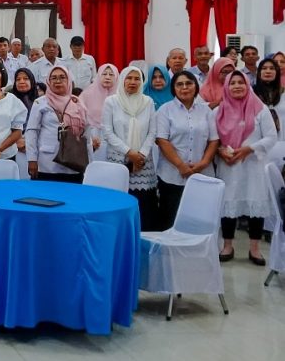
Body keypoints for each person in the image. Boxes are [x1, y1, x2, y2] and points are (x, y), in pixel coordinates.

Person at [214, 70, 274, 264]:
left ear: (248, 85)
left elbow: (271, 137)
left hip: (253, 165)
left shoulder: (260, 109)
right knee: (228, 205)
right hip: (229, 165)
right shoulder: (219, 110)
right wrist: (220, 151)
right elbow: (212, 139)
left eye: (241, 82)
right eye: (233, 83)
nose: (237, 86)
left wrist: (249, 149)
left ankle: (254, 249)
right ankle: (228, 245)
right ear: (226, 87)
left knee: (255, 204)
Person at [155, 70, 218, 230]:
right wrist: (181, 166)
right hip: (172, 175)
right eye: (179, 84)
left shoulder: (206, 111)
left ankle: (195, 253)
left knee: (198, 219)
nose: (184, 87)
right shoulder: (165, 110)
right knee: (171, 219)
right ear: (174, 88)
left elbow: (213, 140)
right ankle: (170, 254)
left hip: (202, 174)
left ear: (196, 86)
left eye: (189, 83)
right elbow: (162, 140)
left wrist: (203, 163)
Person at [102, 66, 157, 228]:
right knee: (119, 201)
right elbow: (107, 131)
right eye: (129, 78)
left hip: (143, 162)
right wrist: (129, 152)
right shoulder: (111, 101)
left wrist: (141, 154)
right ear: (122, 79)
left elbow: (152, 131)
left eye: (137, 78)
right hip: (119, 160)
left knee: (143, 206)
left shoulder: (148, 102)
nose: (133, 82)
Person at [26, 66, 92, 183]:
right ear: (48, 82)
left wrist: (90, 163)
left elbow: (86, 134)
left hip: (74, 162)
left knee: (71, 198)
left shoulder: (77, 103)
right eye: (53, 78)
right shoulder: (40, 103)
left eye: (62, 78)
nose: (58, 81)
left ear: (68, 81)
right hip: (47, 162)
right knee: (45, 198)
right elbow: (32, 132)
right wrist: (32, 159)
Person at [79, 63, 118, 157]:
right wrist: (90, 136)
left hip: (115, 138)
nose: (107, 77)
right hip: (91, 136)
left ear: (116, 77)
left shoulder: (120, 96)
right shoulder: (87, 94)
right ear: (98, 75)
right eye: (104, 74)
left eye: (111, 74)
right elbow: (80, 116)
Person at [254, 57, 285, 140]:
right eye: (264, 68)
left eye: (272, 68)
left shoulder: (283, 93)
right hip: (258, 142)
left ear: (277, 72)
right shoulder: (252, 93)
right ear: (259, 72)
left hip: (281, 141)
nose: (268, 71)